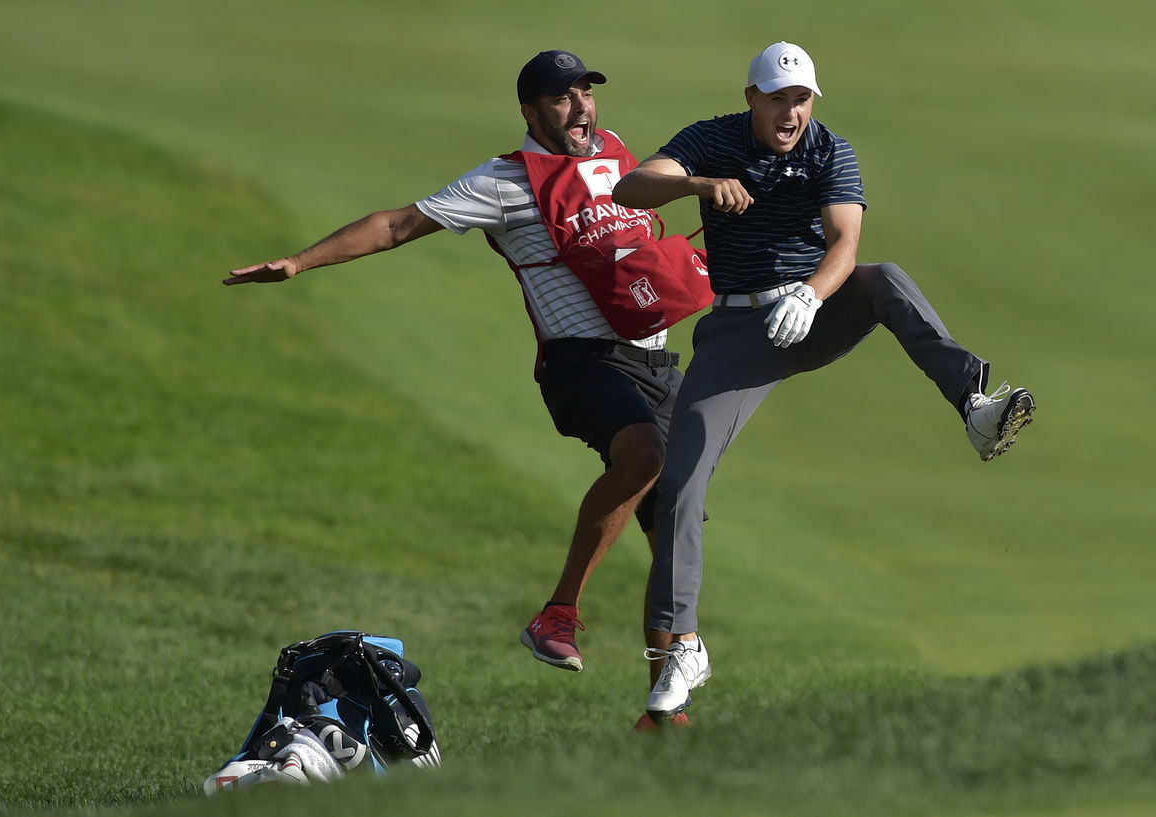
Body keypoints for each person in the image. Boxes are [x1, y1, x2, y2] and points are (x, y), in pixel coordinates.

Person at [224, 50, 711, 728]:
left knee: (676, 534)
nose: (580, 109)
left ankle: (665, 714)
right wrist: (299, 262)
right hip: (581, 365)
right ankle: (557, 613)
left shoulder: (626, 161)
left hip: (657, 365)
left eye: (585, 94)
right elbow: (399, 223)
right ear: (530, 111)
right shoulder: (506, 182)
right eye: (563, 99)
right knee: (644, 455)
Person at [611, 41, 1036, 720]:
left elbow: (846, 244)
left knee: (886, 281)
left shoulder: (830, 150)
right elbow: (628, 187)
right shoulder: (713, 139)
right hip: (736, 333)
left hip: (813, 307)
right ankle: (681, 647)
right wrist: (697, 185)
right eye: (778, 98)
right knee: (681, 482)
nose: (791, 111)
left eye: (801, 98)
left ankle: (974, 405)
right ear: (751, 97)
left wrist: (809, 295)